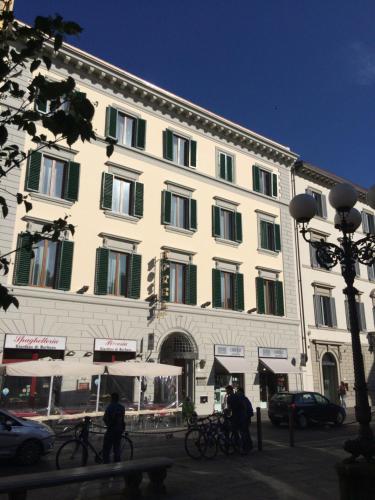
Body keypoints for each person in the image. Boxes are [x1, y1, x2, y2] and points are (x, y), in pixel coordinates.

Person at [102, 392, 125, 463]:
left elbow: (105, 418)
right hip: (119, 430)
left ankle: (106, 465)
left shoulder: (109, 407)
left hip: (111, 430)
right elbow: (122, 420)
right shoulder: (121, 407)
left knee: (106, 448)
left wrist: (108, 425)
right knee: (117, 447)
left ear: (112, 399)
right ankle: (117, 464)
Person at [236, 387, 253, 452]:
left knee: (244, 433)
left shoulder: (242, 399)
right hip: (245, 418)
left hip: (244, 418)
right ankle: (249, 445)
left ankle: (245, 448)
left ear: (241, 392)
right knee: (246, 432)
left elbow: (245, 409)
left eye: (238, 391)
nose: (237, 392)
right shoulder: (244, 399)